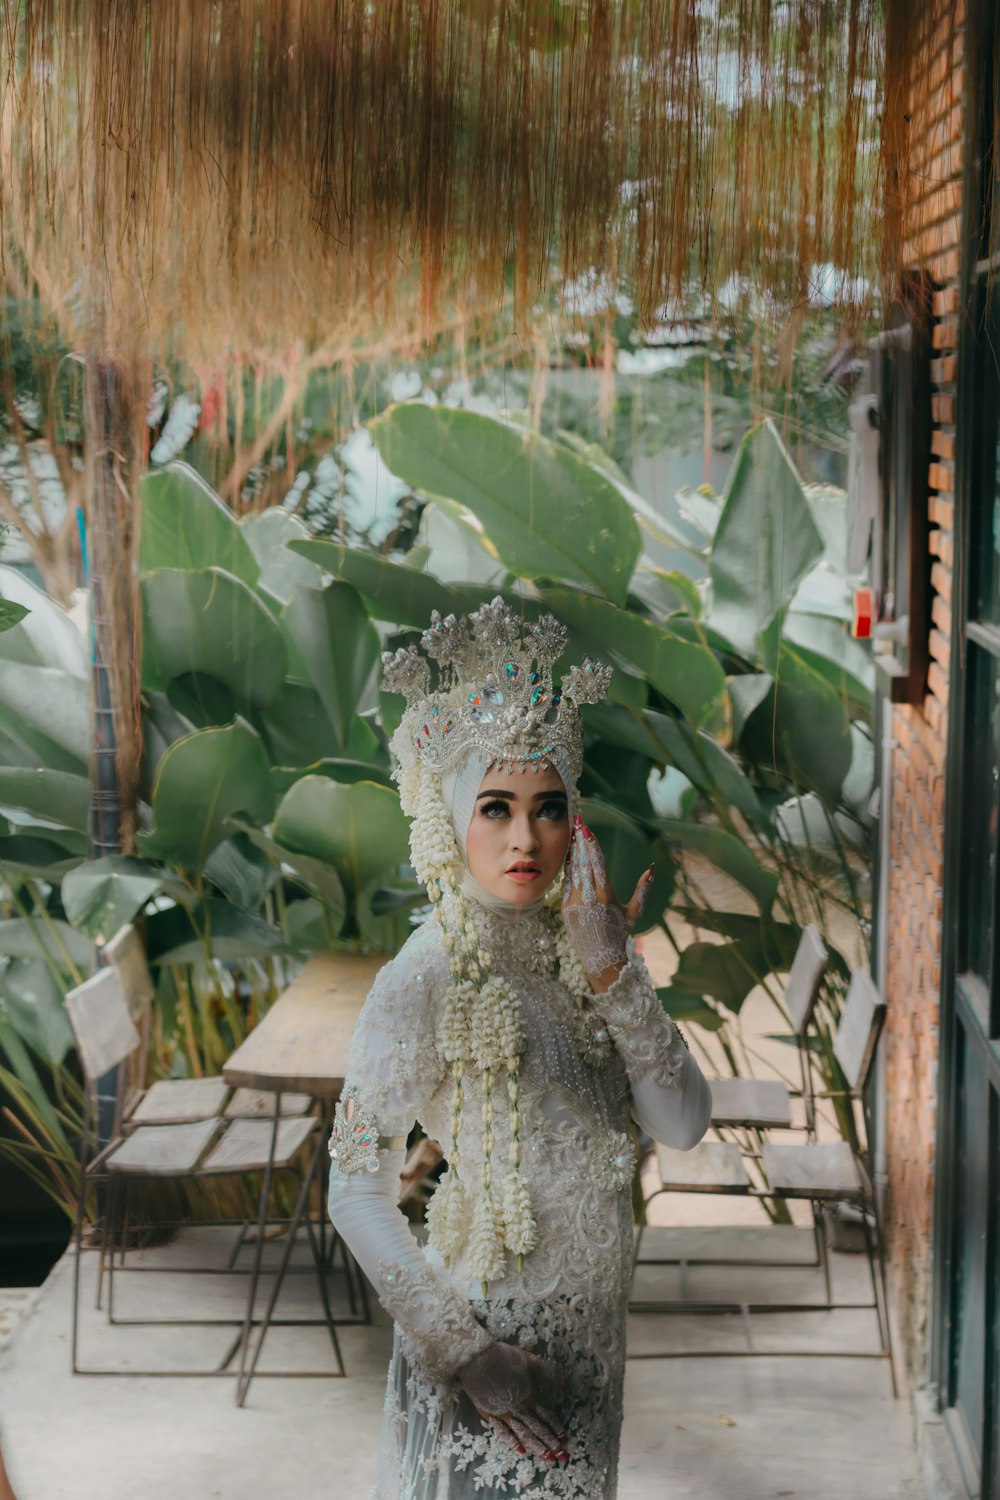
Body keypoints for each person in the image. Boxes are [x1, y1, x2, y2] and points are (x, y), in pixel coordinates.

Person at [328, 597, 712, 1498]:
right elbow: (353, 1184)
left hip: (591, 1344)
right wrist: (465, 1354)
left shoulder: (579, 943)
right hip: (492, 1353)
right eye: (495, 807)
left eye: (548, 809)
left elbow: (685, 1124)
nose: (523, 838)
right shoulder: (423, 976)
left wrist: (614, 973)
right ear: (451, 816)